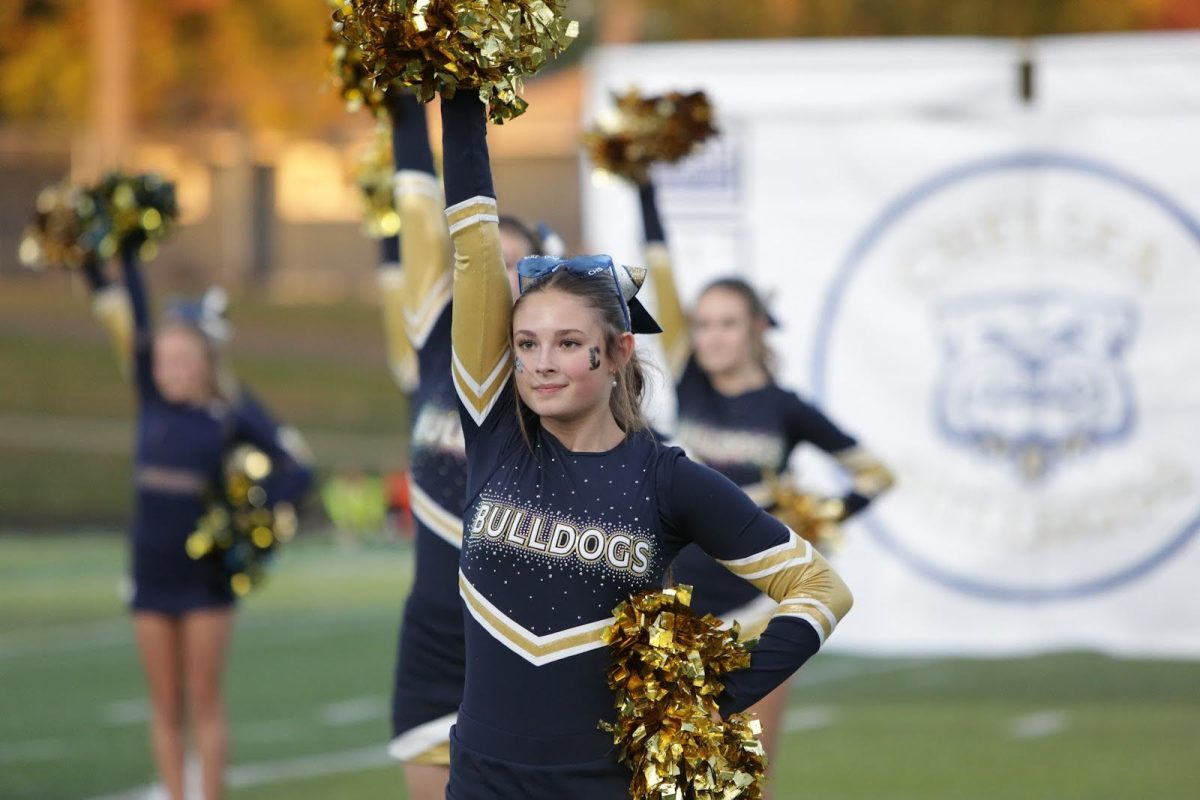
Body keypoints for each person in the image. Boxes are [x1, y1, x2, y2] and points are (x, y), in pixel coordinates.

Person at [439, 87, 853, 799]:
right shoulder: (495, 431)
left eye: (569, 343)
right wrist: (460, 89)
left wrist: (709, 698)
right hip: (481, 781)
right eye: (527, 343)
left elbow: (819, 587)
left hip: (604, 785)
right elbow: (474, 251)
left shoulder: (666, 478)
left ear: (618, 351)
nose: (541, 362)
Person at [637, 177, 894, 768]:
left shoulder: (786, 407)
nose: (710, 336)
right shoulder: (688, 379)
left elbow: (876, 475)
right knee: (663, 769)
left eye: (726, 323)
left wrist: (820, 519)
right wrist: (643, 186)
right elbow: (661, 268)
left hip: (758, 610)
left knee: (743, 770)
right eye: (702, 324)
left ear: (756, 328)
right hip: (678, 603)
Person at [380, 94, 547, 798]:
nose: (491, 277)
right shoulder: (429, 341)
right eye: (479, 264)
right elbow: (421, 210)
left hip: (521, 631)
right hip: (435, 629)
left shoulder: (552, 375)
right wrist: (402, 92)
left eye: (510, 266)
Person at [116, 242, 312, 800]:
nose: (171, 371)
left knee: (203, 699)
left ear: (205, 361)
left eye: (183, 361)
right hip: (149, 574)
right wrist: (126, 256)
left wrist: (250, 508)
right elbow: (135, 320)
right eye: (163, 361)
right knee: (164, 703)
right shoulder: (151, 403)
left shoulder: (229, 411)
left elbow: (295, 467)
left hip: (205, 581)